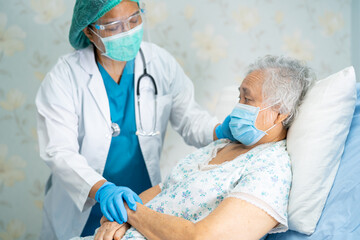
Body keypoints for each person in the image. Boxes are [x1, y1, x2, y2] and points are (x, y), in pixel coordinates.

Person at [34, 0, 237, 239]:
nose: (127, 32)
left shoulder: (159, 63)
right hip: (86, 202)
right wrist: (103, 190)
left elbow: (190, 118)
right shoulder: (64, 77)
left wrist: (221, 129)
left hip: (140, 201)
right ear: (89, 31)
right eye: (114, 26)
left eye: (134, 20)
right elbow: (59, 151)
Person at [72, 55, 315, 240]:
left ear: (279, 114)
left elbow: (202, 238)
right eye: (238, 98)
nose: (237, 107)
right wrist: (115, 222)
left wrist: (128, 213)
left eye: (247, 99)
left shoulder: (270, 169)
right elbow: (162, 189)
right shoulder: (221, 146)